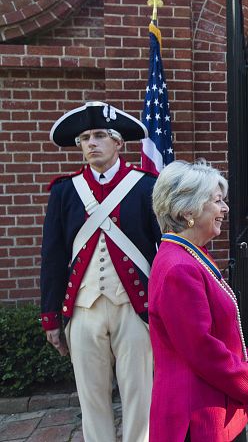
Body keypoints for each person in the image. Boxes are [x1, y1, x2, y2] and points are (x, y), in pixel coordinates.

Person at [40, 101, 159, 442]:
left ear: (119, 142)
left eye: (99, 135)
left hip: (135, 309)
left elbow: (163, 249)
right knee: (91, 399)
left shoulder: (145, 186)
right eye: (84, 138)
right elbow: (53, 257)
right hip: (83, 308)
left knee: (140, 394)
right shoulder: (64, 191)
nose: (90, 143)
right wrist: (50, 317)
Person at [149, 160, 248, 441]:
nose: (225, 210)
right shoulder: (179, 266)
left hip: (213, 406)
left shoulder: (191, 255)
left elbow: (225, 332)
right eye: (217, 201)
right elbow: (202, 348)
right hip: (199, 415)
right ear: (188, 210)